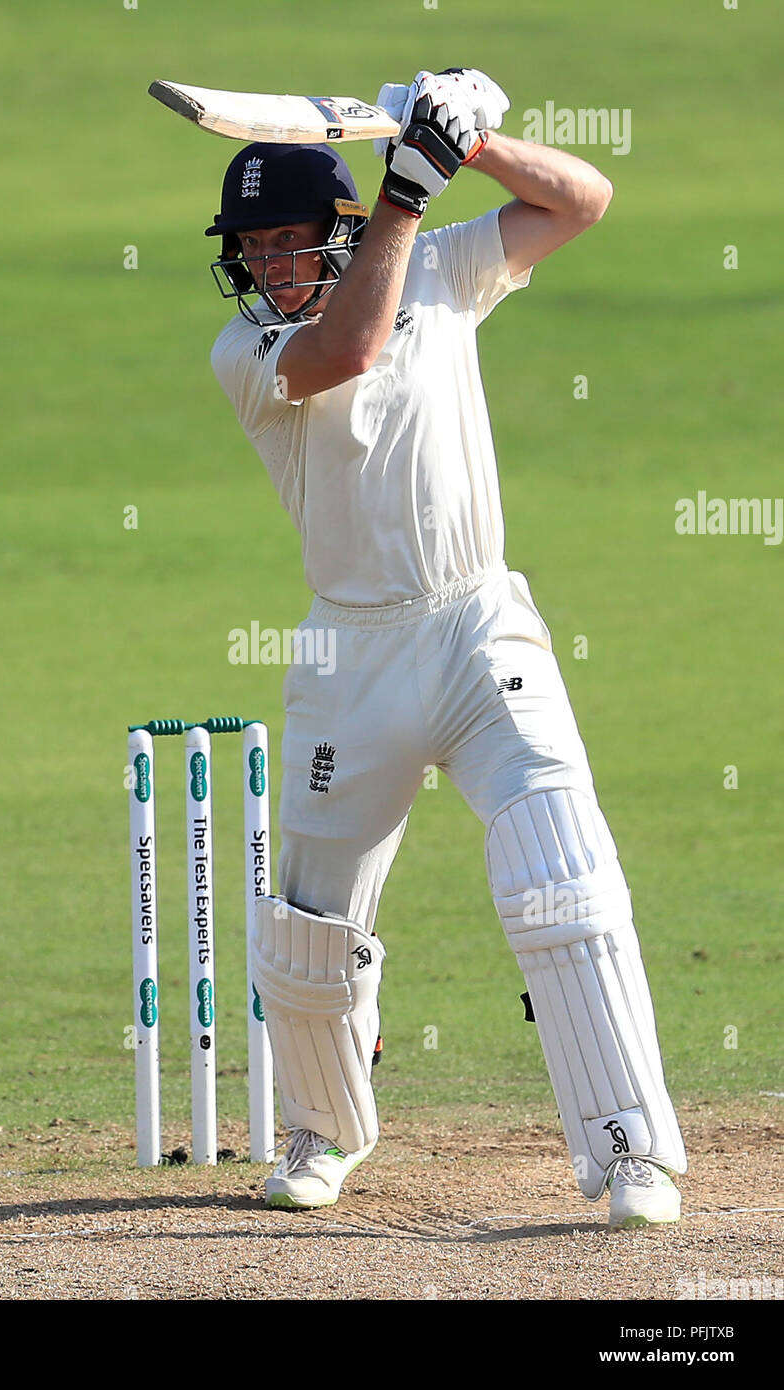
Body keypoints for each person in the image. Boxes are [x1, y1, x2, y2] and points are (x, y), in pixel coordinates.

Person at [205, 69, 686, 1227]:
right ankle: (324, 1130)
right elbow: (352, 350)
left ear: (341, 229)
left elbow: (583, 201)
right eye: (253, 247)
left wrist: (471, 142)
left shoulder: (441, 263)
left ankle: (630, 1150)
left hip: (478, 625)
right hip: (349, 657)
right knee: (310, 936)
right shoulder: (247, 351)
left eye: (290, 241)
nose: (270, 265)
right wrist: (410, 194)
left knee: (561, 874)